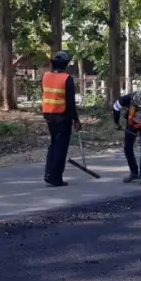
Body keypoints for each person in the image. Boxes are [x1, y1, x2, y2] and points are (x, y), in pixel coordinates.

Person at [42, 50, 81, 187]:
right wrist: (76, 120)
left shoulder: (45, 76)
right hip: (62, 116)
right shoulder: (67, 79)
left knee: (53, 144)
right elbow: (70, 103)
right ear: (65, 64)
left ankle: (49, 173)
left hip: (48, 115)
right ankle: (55, 177)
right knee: (61, 147)